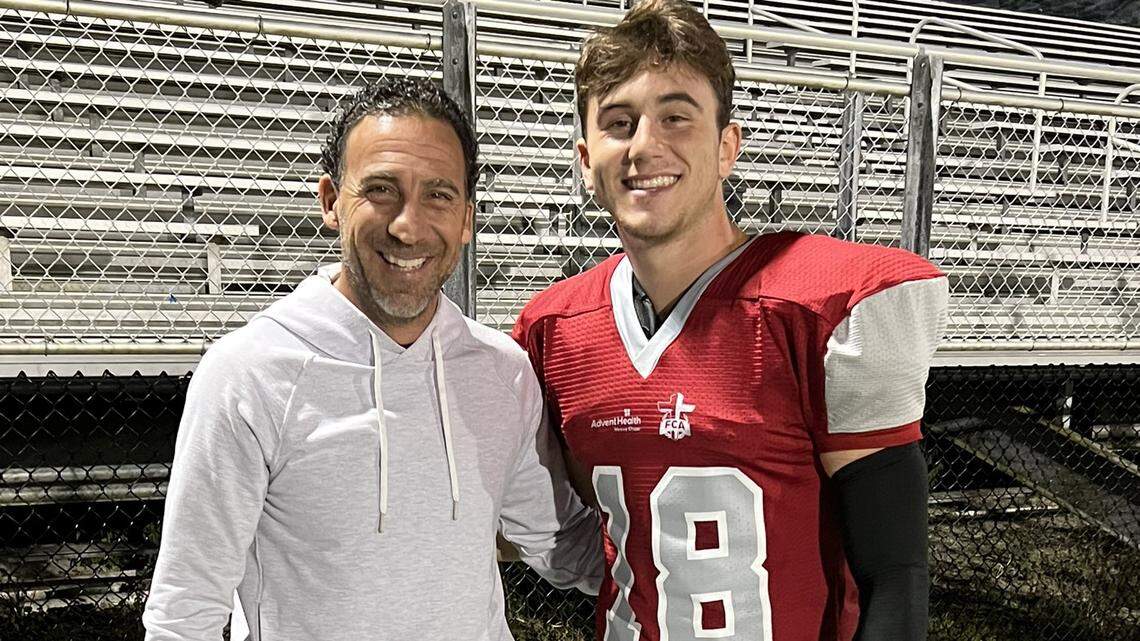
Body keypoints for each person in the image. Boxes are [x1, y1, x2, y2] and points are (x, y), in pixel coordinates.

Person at [511, 2, 948, 640]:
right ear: (585, 160)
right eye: (619, 123)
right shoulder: (557, 328)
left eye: (675, 117)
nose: (644, 146)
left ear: (726, 148)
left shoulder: (814, 309)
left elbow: (895, 577)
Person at [144, 77, 603, 641]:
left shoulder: (502, 372)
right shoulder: (249, 375)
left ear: (466, 219)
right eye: (381, 190)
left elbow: (562, 541)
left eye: (438, 195)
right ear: (331, 202)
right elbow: (184, 612)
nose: (408, 226)